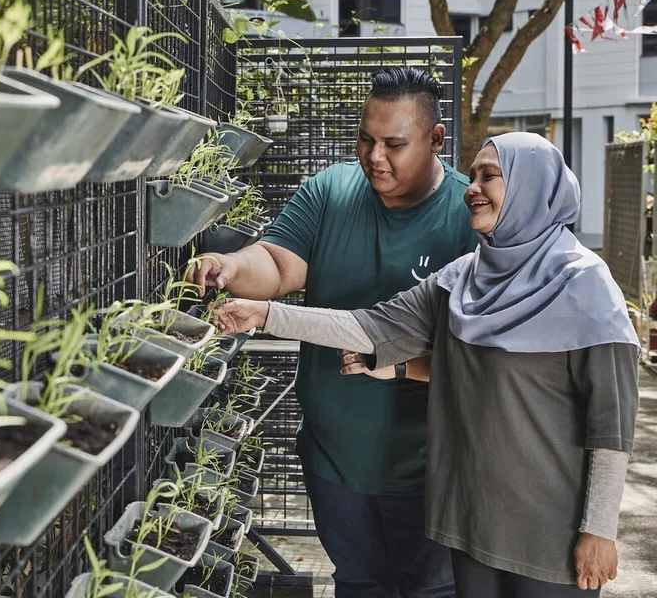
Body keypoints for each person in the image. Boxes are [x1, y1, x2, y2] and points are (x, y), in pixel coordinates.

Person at [212, 133, 640, 598]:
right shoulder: (462, 278)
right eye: (472, 175)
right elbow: (371, 326)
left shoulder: (587, 287)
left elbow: (611, 428)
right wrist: (267, 314)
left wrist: (599, 529)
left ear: (533, 188)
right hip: (471, 524)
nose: (472, 187)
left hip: (551, 536)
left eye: (489, 175)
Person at [188, 67, 477, 597]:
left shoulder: (467, 216)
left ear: (436, 139)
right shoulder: (330, 191)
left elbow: (481, 357)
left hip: (429, 467)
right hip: (333, 457)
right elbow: (277, 265)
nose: (375, 157)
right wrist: (230, 266)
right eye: (366, 139)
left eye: (394, 144)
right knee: (358, 585)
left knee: (431, 592)